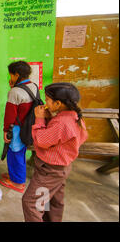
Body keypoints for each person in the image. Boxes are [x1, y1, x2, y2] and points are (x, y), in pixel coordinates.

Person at [22, 82, 88, 222]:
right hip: (62, 168)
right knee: (51, 202)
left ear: (58, 103)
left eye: (47, 100)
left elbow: (41, 140)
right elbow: (65, 136)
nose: (46, 102)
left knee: (31, 203)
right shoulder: (73, 117)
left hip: (49, 170)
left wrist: (39, 119)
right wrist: (49, 117)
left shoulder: (62, 123)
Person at [0, 61, 39, 193]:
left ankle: (18, 182)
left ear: (17, 75)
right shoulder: (33, 86)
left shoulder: (15, 92)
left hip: (16, 128)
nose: (10, 78)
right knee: (19, 152)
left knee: (16, 154)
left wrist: (5, 130)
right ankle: (14, 175)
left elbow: (10, 115)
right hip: (28, 126)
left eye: (11, 75)